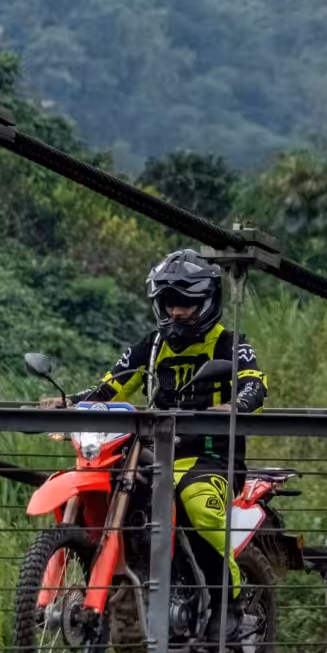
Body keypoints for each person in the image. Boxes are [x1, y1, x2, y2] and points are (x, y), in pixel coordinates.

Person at [56, 249, 267, 622]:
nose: (176, 311)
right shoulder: (152, 346)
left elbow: (255, 387)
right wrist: (66, 403)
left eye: (185, 303)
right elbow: (109, 388)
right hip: (153, 454)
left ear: (206, 301)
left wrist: (231, 408)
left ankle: (228, 603)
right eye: (169, 302)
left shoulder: (229, 343)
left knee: (199, 504)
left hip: (210, 458)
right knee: (114, 487)